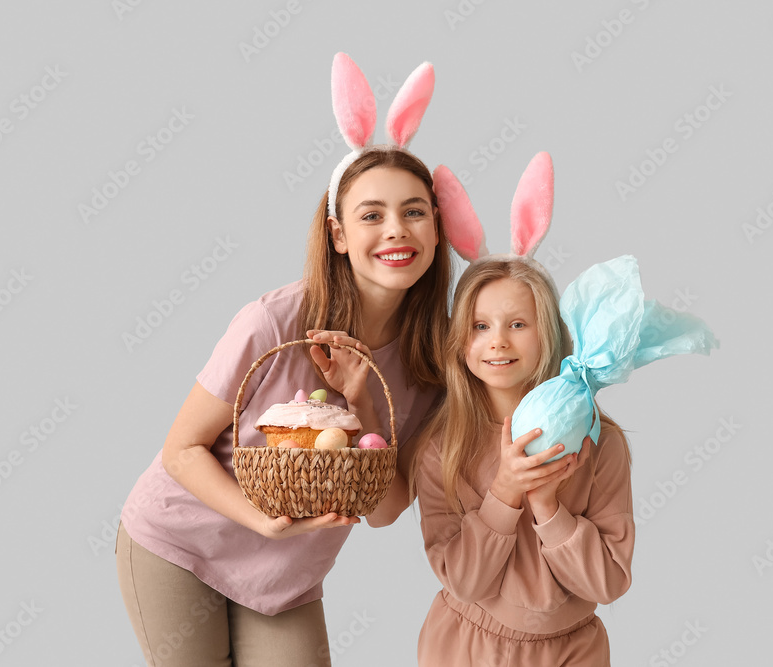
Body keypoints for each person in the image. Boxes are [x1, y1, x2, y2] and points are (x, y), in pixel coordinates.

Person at [116, 54, 452, 667]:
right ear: (339, 235)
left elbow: (384, 512)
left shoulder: (434, 362)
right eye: (371, 215)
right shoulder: (273, 322)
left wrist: (367, 403)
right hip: (181, 544)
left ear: (437, 227)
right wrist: (260, 518)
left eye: (414, 211)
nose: (396, 231)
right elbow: (181, 450)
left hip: (284, 577)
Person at [411, 256, 633, 666]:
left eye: (517, 324)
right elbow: (464, 581)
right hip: (465, 648)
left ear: (547, 333)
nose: (498, 341)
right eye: (480, 326)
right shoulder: (443, 447)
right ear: (460, 339)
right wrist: (506, 492)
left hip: (573, 652)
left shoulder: (600, 444)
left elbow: (608, 582)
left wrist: (548, 507)